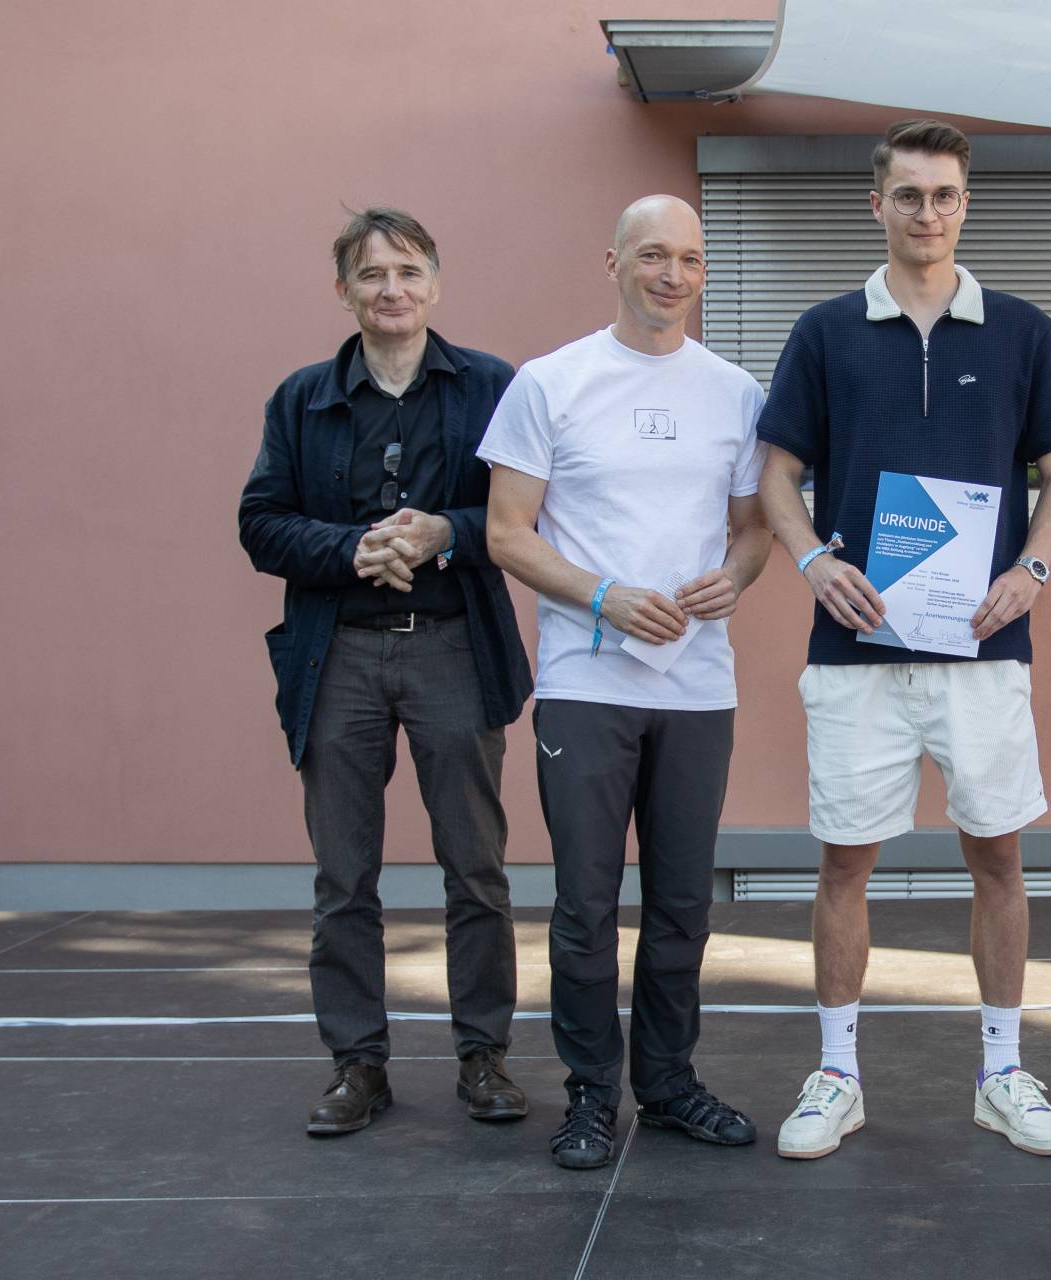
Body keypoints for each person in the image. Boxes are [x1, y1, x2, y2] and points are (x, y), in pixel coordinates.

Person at [754, 119, 1051, 1160]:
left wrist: (1033, 571)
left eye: (944, 195)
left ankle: (1002, 1074)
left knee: (1000, 859)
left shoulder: (1023, 330)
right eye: (908, 195)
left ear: (966, 205)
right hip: (856, 648)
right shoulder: (824, 331)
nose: (927, 212)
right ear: (877, 205)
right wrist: (815, 561)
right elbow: (777, 476)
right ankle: (838, 1075)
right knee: (843, 866)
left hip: (983, 647)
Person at [481, 195, 771, 1169]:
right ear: (612, 262)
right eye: (652, 255)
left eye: (688, 258)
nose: (671, 275)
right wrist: (603, 595)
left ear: (703, 272)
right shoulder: (550, 383)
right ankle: (590, 1094)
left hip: (697, 687)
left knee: (683, 903)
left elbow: (752, 529)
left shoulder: (736, 392)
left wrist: (734, 578)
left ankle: (669, 1081)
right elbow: (507, 532)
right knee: (585, 904)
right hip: (586, 681)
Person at [239, 207, 533, 1136]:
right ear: (344, 292)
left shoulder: (493, 386)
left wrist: (447, 531)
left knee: (475, 866)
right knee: (344, 876)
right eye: (372, 275)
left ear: (435, 283)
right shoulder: (301, 399)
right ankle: (357, 1064)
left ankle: (483, 1056)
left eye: (408, 272)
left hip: (453, 644)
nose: (392, 290)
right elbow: (260, 523)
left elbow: (534, 512)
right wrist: (351, 550)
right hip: (340, 654)